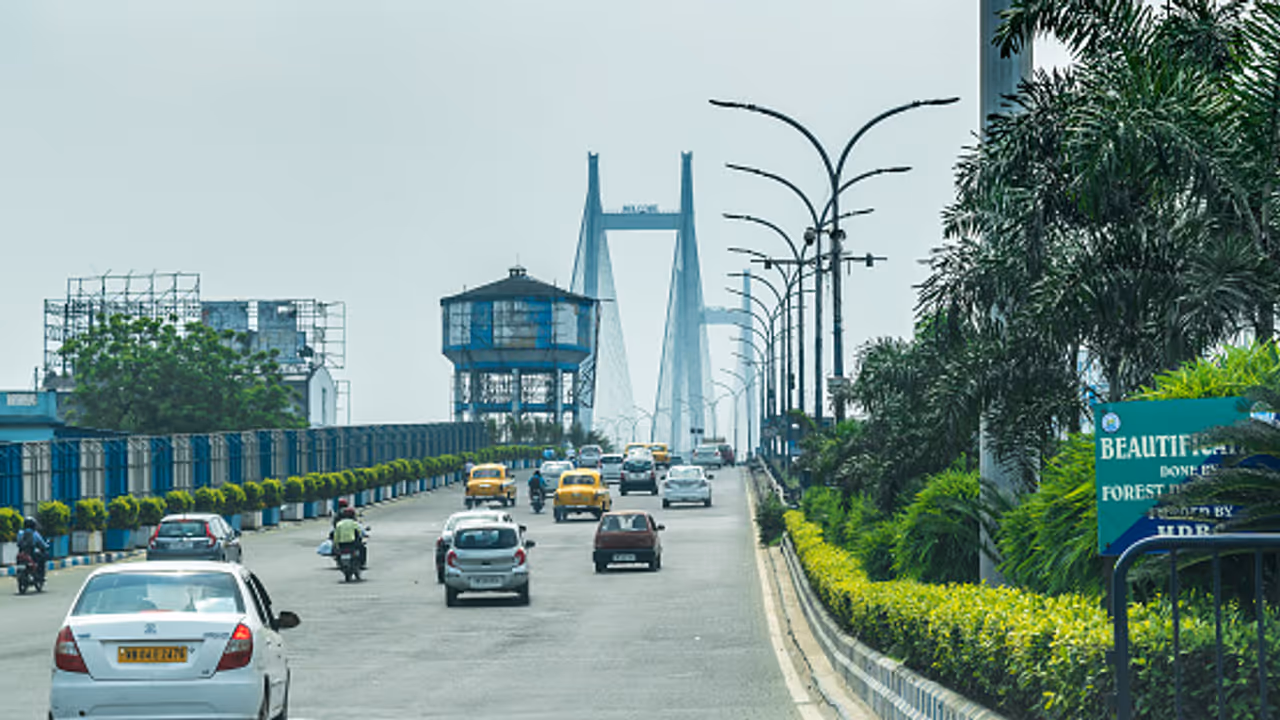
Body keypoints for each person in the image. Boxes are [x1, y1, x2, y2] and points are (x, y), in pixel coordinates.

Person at [16, 518, 49, 583]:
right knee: (42, 559)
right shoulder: (35, 533)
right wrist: (46, 546)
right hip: (31, 554)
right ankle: (40, 575)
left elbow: (18, 542)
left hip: (21, 553)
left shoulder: (20, 533)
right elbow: (42, 544)